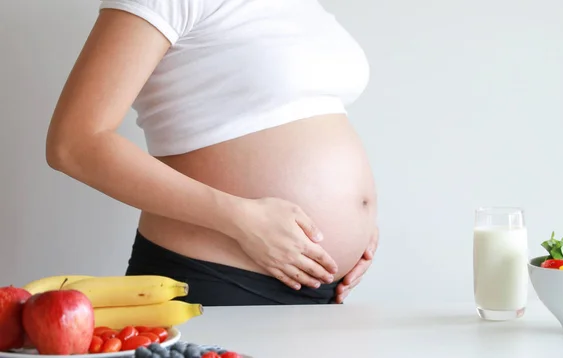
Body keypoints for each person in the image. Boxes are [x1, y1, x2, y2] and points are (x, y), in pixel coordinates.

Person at [45, 0, 379, 306]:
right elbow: (74, 144)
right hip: (215, 278)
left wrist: (357, 227)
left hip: (325, 289)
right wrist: (240, 220)